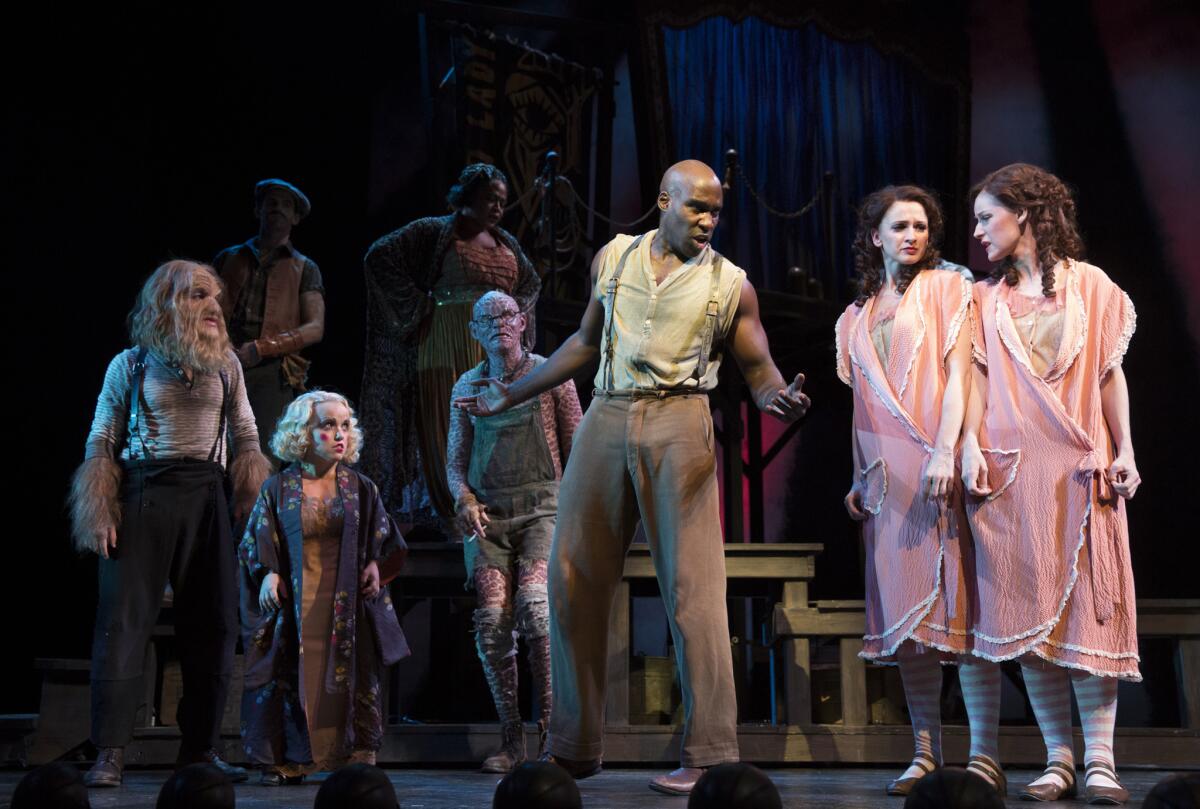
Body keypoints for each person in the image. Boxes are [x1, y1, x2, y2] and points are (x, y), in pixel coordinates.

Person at [456, 160, 810, 795]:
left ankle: (707, 751)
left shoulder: (731, 285)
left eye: (715, 212)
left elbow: (760, 372)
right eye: (695, 208)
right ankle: (573, 744)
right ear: (662, 201)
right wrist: (512, 393)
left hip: (680, 418)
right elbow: (583, 344)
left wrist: (777, 398)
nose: (707, 221)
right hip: (607, 411)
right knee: (570, 578)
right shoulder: (613, 259)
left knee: (692, 590)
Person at [962, 163, 1141, 804]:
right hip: (1013, 475)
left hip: (1079, 469)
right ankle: (1057, 758)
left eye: (988, 217)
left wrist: (1126, 449)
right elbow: (976, 385)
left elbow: (1108, 374)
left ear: (1027, 214)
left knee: (1092, 616)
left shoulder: (1092, 288)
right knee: (1029, 619)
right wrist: (968, 450)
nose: (979, 231)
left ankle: (1101, 761)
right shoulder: (984, 299)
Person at [69, 260, 270, 788]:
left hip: (206, 496)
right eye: (200, 295)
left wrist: (249, 501)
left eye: (217, 298)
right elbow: (101, 438)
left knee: (215, 624)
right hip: (143, 494)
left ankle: (199, 750)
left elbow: (247, 433)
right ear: (168, 302)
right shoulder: (130, 365)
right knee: (124, 623)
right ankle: (110, 751)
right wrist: (100, 510)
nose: (215, 308)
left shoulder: (226, 365)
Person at [835, 186, 997, 796]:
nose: (912, 236)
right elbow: (863, 406)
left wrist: (945, 449)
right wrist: (857, 472)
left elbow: (960, 374)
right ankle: (924, 750)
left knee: (965, 610)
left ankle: (983, 754)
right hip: (887, 482)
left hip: (937, 465)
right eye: (900, 226)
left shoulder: (948, 289)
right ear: (874, 235)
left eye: (922, 227)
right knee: (909, 622)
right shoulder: (854, 315)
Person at [238, 391, 410, 784]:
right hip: (298, 603)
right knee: (295, 672)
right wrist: (268, 572)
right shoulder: (278, 488)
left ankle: (349, 754)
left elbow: (383, 540)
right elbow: (257, 539)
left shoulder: (360, 487)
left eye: (345, 425)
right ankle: (291, 758)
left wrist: (375, 566)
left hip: (345, 602)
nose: (340, 434)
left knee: (344, 675)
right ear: (303, 433)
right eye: (328, 425)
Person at [361, 163, 541, 528]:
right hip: (445, 340)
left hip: (492, 345)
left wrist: (514, 316)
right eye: (490, 198)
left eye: (502, 202)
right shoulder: (434, 232)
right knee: (451, 419)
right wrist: (420, 305)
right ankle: (453, 507)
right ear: (468, 194)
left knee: (495, 421)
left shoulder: (506, 242)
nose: (496, 208)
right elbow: (379, 257)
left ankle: (496, 505)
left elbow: (531, 282)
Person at [447, 290, 582, 772]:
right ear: (474, 332)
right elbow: (455, 464)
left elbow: (578, 444)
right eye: (487, 318)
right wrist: (463, 499)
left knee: (536, 610)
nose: (499, 323)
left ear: (523, 322)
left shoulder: (549, 374)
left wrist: (572, 509)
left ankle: (551, 735)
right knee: (490, 624)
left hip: (544, 507)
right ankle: (511, 738)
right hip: (489, 515)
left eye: (507, 314)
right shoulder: (467, 383)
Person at [214, 178, 326, 463]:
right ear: (258, 210)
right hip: (219, 364)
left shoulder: (305, 267)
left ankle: (257, 508)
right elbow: (205, 311)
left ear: (296, 217)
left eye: (286, 204)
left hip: (270, 371)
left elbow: (315, 327)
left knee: (262, 457)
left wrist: (263, 348)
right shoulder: (229, 258)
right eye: (271, 202)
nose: (277, 208)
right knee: (214, 450)